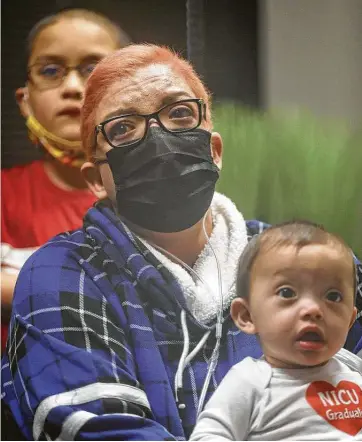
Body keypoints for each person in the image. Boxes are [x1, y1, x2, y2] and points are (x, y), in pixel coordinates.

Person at [1, 44, 361, 441]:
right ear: (94, 181)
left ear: (215, 150)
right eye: (122, 128)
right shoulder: (65, 274)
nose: (158, 136)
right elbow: (99, 430)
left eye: (180, 114)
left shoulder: (298, 258)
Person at [1, 9, 130, 350]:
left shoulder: (162, 198)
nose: (73, 87)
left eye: (93, 70)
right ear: (24, 100)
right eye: (50, 71)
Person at [191, 221, 362, 441]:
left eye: (333, 297)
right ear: (247, 316)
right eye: (287, 293)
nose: (313, 310)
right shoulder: (250, 381)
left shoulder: (353, 372)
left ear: (349, 320)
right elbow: (207, 436)